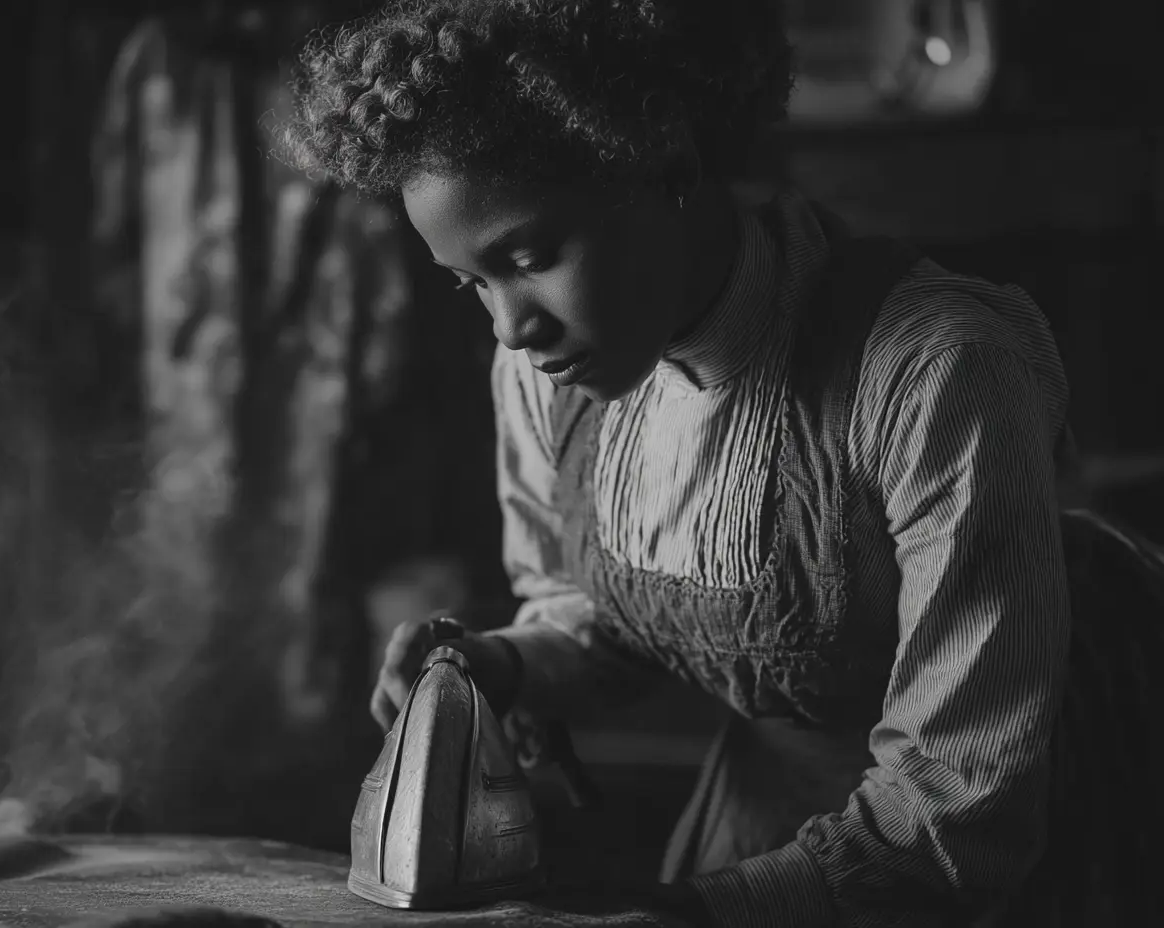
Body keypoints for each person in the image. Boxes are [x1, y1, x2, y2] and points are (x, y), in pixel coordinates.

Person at [286, 1, 1163, 925]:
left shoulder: (935, 368)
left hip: (985, 853)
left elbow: (961, 800)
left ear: (667, 161)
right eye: (473, 282)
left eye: (533, 255)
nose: (511, 325)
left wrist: (699, 917)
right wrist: (499, 665)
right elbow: (608, 623)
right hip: (755, 826)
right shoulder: (549, 373)